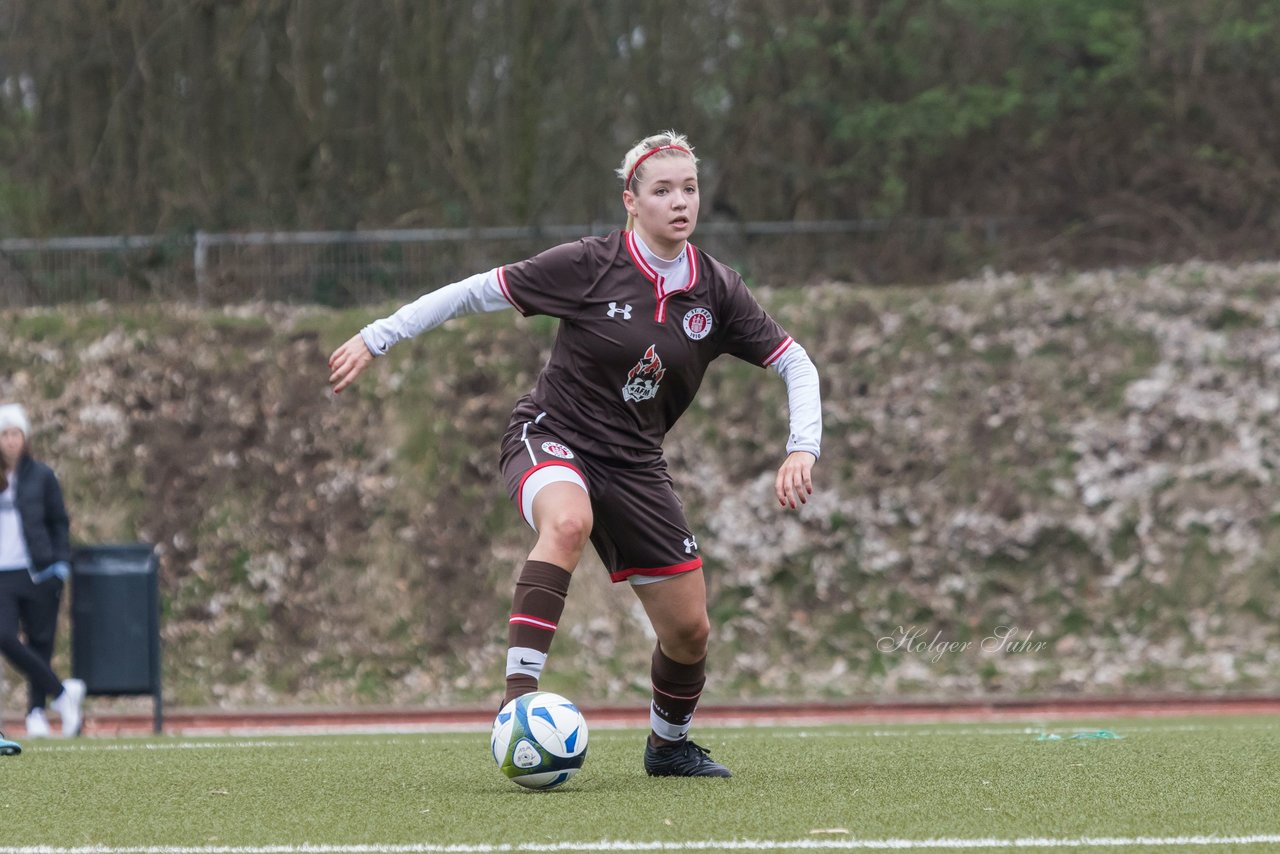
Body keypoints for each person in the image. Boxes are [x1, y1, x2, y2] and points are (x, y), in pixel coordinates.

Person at [328, 131, 821, 778]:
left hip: (636, 464)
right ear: (631, 201)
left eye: (690, 188)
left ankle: (668, 746)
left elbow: (794, 362)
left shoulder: (718, 290)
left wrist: (800, 448)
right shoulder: (590, 264)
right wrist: (378, 335)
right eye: (662, 190)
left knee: (690, 632)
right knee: (566, 522)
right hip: (551, 433)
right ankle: (516, 709)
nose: (680, 201)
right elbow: (475, 291)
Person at [0, 403, 85, 738]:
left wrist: (61, 563)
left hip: (37, 571)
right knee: (5, 636)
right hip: (2, 574)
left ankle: (36, 712)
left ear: (26, 437)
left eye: (15, 434)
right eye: (4, 434)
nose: (10, 441)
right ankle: (62, 693)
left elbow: (58, 522)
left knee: (40, 641)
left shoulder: (42, 476)